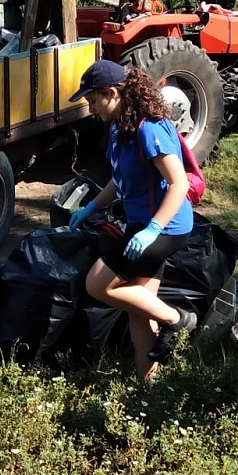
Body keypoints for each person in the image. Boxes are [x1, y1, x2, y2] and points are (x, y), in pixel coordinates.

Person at [67, 59, 197, 381]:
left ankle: (178, 319)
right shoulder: (118, 127)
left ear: (112, 93)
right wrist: (90, 208)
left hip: (165, 227)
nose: (91, 108)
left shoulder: (149, 127)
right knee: (139, 311)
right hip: (145, 224)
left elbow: (179, 183)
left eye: (93, 101)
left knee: (97, 283)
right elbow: (119, 180)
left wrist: (153, 229)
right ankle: (147, 388)